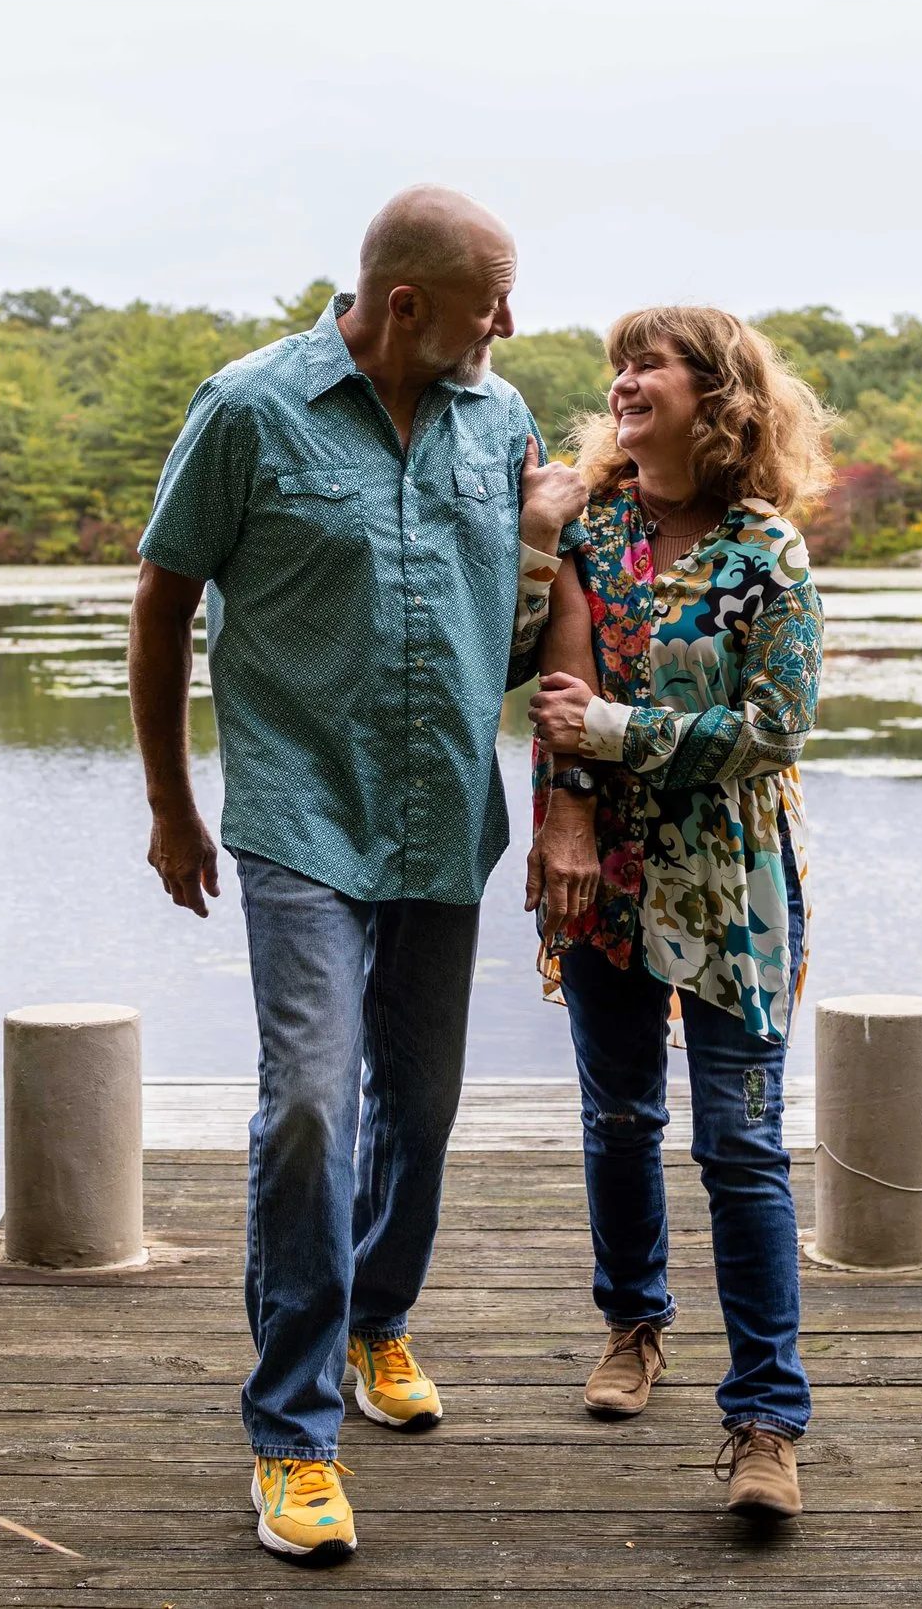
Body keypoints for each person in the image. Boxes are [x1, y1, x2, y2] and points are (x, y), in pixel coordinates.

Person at [128, 186, 588, 1565]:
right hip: (296, 814)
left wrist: (564, 559)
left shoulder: (496, 421)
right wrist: (170, 802)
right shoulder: (248, 409)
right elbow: (161, 603)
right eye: (490, 302)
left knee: (423, 1107)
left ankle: (377, 1317)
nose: (508, 324)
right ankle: (292, 1431)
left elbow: (498, 623)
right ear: (406, 307)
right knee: (312, 1103)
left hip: (443, 811)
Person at [524, 305, 830, 1523]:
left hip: (731, 889)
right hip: (600, 871)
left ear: (721, 396)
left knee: (743, 1149)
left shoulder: (769, 552)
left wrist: (618, 735)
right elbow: (547, 696)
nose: (623, 377)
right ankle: (633, 1325)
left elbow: (773, 729)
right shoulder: (589, 533)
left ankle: (765, 1417)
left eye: (651, 362)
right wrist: (569, 820)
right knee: (618, 1116)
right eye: (620, 363)